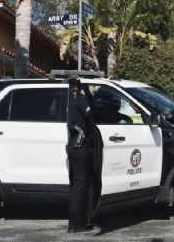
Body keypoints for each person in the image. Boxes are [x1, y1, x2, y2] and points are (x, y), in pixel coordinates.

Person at [66, 77, 101, 234]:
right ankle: (76, 223)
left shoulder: (73, 101)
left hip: (74, 146)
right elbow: (91, 118)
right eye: (93, 86)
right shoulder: (81, 100)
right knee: (80, 186)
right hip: (80, 147)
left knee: (80, 185)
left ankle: (83, 219)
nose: (95, 89)